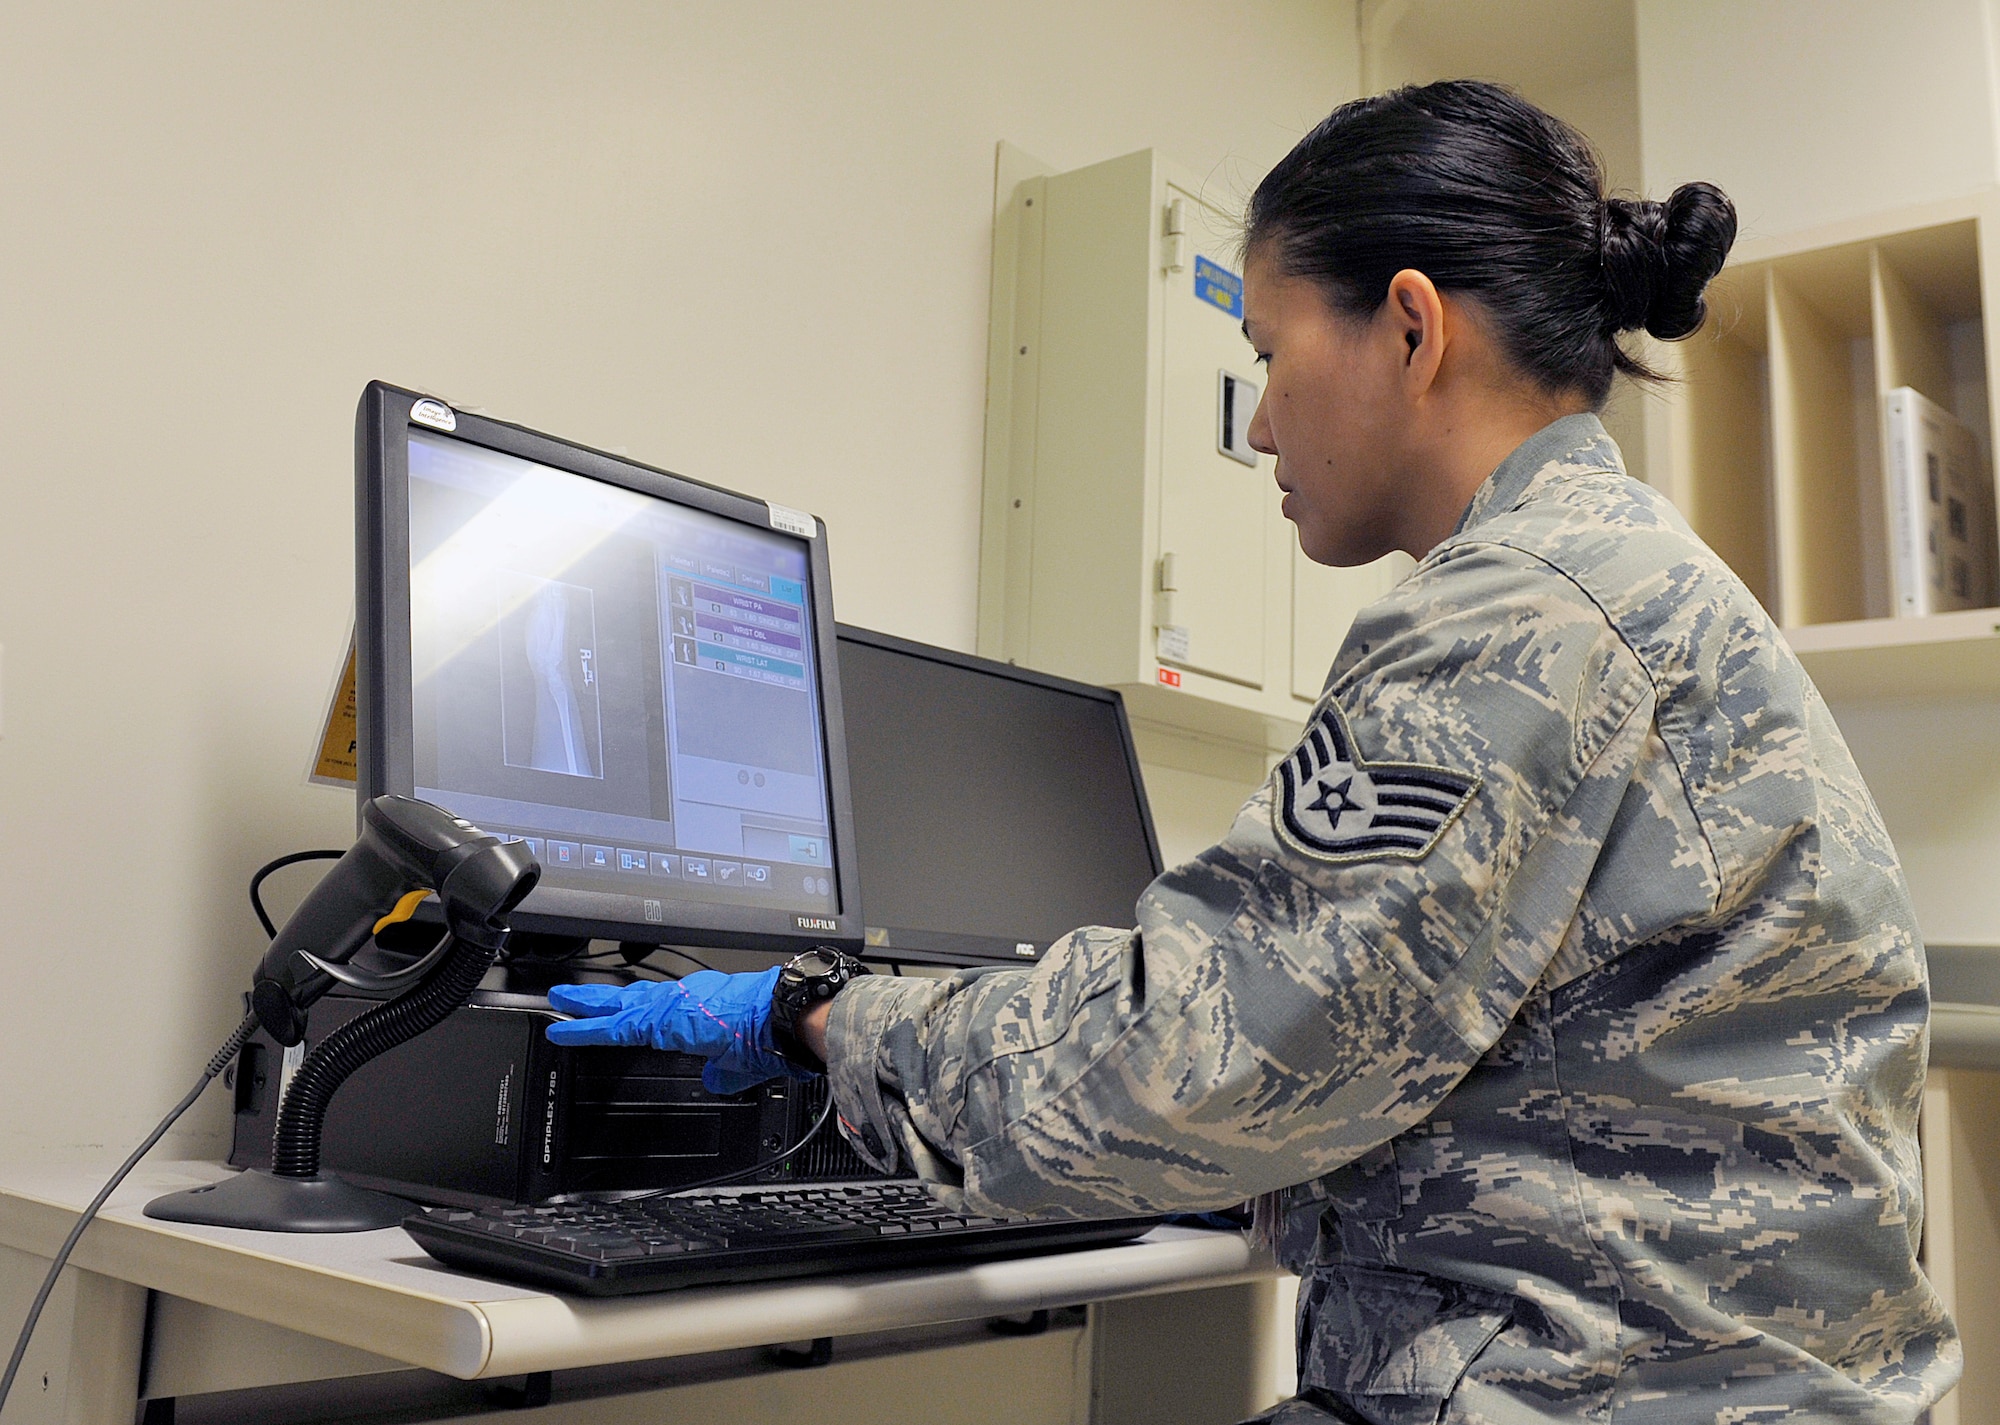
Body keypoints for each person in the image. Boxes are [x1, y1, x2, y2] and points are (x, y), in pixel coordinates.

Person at [544, 82, 1960, 1423]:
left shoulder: (1518, 616)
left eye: (1271, 356)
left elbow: (1190, 1055)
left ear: (1412, 328)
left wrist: (816, 1014)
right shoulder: (1622, 575)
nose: (1265, 419)